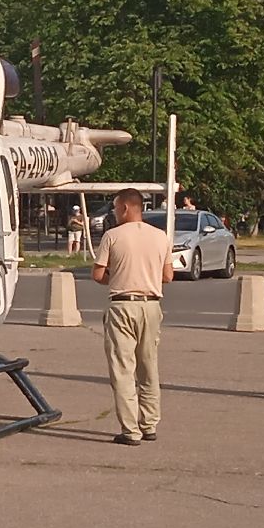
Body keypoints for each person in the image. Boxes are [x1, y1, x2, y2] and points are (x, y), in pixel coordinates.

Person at [91, 187, 174, 445]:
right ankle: (149, 424)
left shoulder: (112, 236)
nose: (115, 213)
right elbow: (168, 276)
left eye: (116, 208)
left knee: (123, 368)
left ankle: (130, 430)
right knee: (148, 367)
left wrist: (119, 277)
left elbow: (97, 274)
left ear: (126, 208)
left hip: (122, 305)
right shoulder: (161, 236)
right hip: (151, 305)